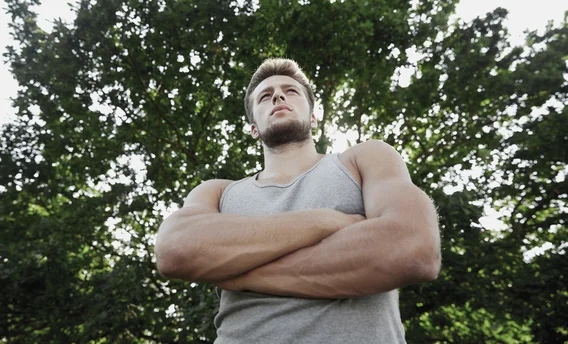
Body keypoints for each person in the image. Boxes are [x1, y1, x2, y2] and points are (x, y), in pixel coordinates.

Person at [154, 58, 441, 343]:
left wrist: (241, 274)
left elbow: (414, 247)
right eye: (265, 96)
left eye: (291, 91)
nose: (278, 96)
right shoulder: (217, 192)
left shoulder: (365, 159)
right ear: (254, 128)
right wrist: (326, 221)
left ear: (314, 117)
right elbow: (174, 250)